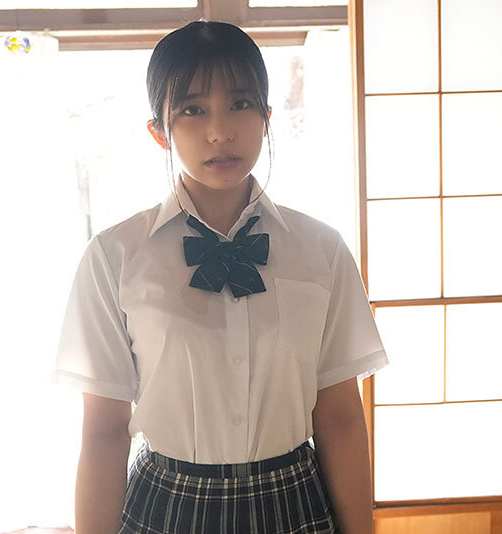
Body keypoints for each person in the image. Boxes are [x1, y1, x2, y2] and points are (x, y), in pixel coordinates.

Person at [51, 19, 390, 534]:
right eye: (192, 110)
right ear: (159, 131)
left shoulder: (321, 250)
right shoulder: (114, 256)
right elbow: (104, 431)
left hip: (295, 501)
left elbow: (340, 417)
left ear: (266, 118)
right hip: (166, 504)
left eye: (240, 103)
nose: (220, 131)